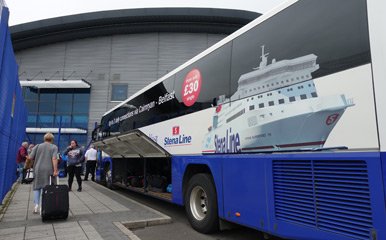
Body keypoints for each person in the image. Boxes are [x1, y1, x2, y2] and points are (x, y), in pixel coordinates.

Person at [28, 133, 59, 214]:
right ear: (52, 139)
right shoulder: (54, 147)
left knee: (36, 187)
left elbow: (30, 157)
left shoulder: (37, 146)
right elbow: (54, 158)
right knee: (46, 187)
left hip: (37, 169)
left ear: (44, 138)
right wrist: (55, 170)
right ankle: (43, 206)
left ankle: (36, 206)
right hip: (48, 169)